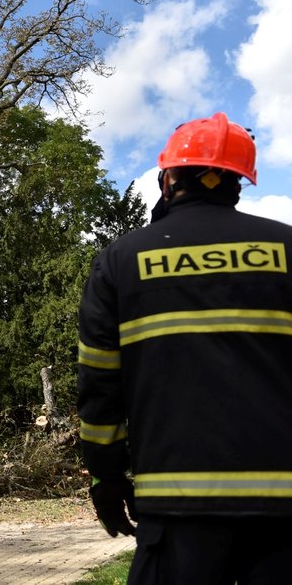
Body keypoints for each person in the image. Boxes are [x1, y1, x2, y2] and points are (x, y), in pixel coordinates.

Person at [77, 112, 292, 583]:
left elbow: (98, 383)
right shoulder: (287, 249)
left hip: (175, 514)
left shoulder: (121, 261)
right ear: (238, 181)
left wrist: (107, 478)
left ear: (169, 175)